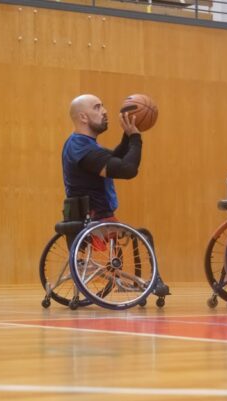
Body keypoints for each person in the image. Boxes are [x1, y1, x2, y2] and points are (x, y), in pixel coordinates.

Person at [61, 93, 169, 296]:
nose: (105, 111)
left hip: (83, 217)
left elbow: (114, 159)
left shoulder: (79, 144)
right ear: (83, 117)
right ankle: (155, 282)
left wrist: (128, 136)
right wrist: (136, 138)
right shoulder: (83, 149)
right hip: (95, 221)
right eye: (97, 107)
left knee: (138, 232)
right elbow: (127, 169)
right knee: (144, 234)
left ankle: (142, 282)